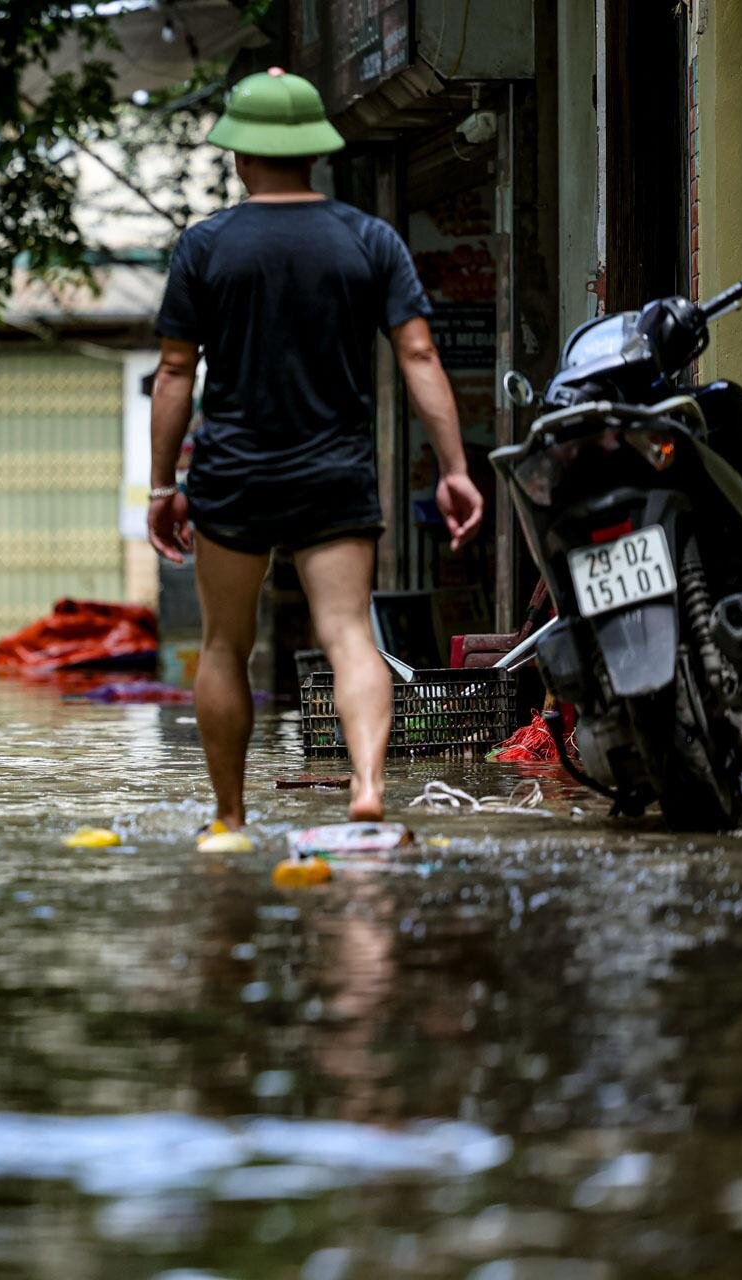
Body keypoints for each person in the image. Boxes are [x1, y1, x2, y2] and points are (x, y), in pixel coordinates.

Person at [147, 68, 484, 852]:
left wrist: (165, 484)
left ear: (239, 157)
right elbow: (420, 352)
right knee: (349, 636)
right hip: (334, 470)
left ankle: (230, 818)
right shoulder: (369, 239)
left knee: (228, 643)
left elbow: (173, 373)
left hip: (233, 471)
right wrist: (456, 467)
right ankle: (366, 788)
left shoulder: (204, 246)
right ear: (313, 154)